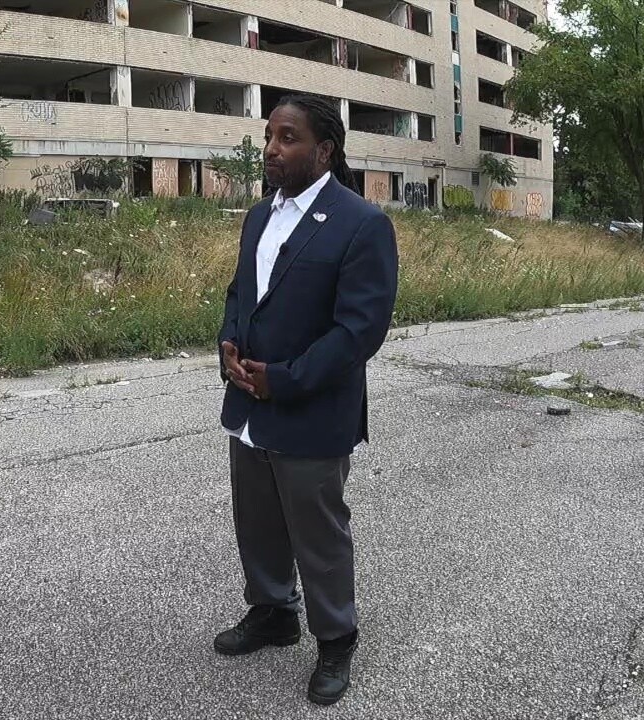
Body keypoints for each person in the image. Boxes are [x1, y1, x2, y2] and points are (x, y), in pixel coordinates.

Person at [213, 94, 399, 706]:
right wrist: (228, 341)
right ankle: (273, 612)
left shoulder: (361, 223)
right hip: (251, 403)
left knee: (317, 532)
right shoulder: (260, 216)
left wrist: (285, 380)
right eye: (269, 136)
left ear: (324, 150)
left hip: (311, 408)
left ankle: (336, 638)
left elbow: (359, 331)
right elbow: (243, 291)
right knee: (258, 520)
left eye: (287, 137)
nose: (272, 149)